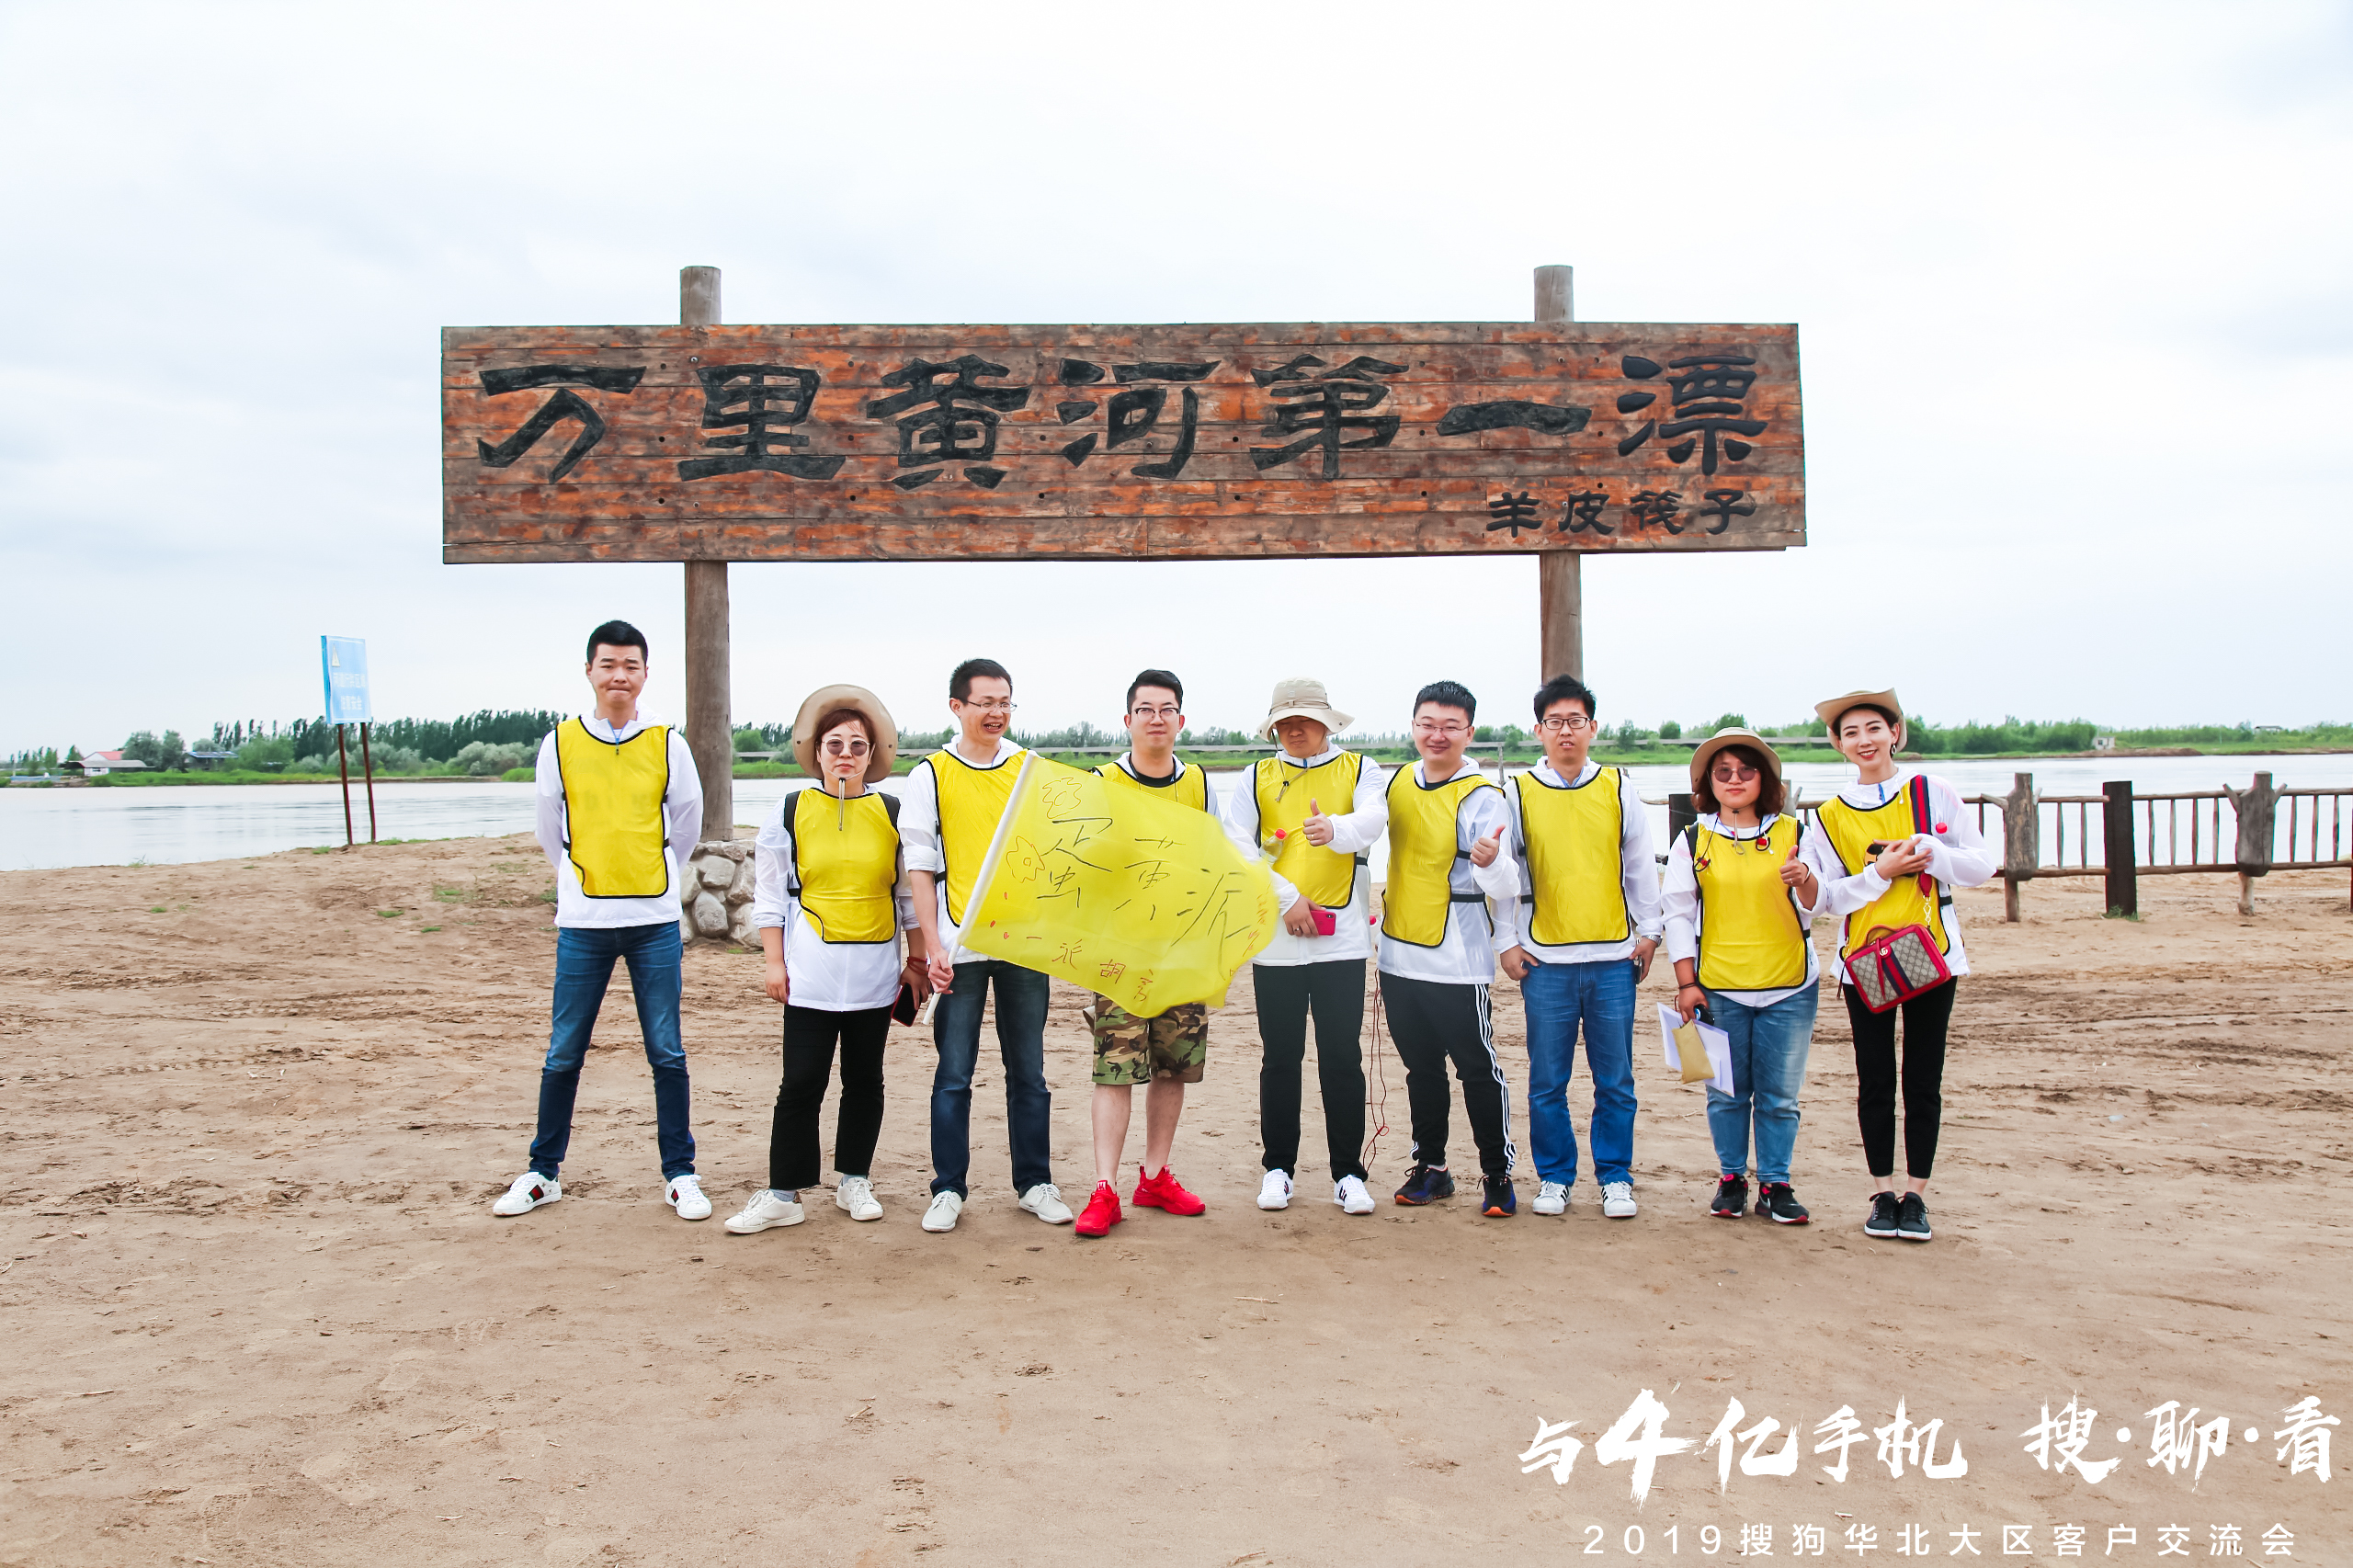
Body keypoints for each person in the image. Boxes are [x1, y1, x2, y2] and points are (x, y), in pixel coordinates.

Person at [493, 620, 707, 1221]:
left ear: (645, 674)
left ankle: (680, 1175)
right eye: (608, 664)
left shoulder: (668, 743)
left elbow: (686, 822)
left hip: (653, 919)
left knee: (667, 1052)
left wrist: (651, 872)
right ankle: (542, 1172)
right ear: (589, 670)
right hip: (583, 922)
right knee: (564, 1051)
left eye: (630, 665)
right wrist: (581, 879)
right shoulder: (560, 743)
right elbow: (549, 827)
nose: (619, 675)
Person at [725, 687, 930, 1235]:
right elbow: (770, 895)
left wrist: (916, 962)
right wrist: (774, 963)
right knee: (801, 1081)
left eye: (857, 746)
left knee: (865, 1080)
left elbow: (908, 898)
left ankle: (854, 1179)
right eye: (834, 744)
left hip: (874, 974)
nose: (845, 754)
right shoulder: (790, 810)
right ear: (815, 751)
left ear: (872, 754)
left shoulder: (893, 813)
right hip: (810, 973)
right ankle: (783, 1193)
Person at [1325, 680, 1519, 1215]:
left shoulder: (1484, 796)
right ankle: (1431, 1167)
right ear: (1413, 727)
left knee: (1477, 1068)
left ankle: (1497, 1173)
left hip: (1458, 958)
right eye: (1428, 724)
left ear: (1469, 733)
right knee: (1422, 1070)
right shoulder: (1397, 783)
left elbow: (1507, 884)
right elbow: (1358, 833)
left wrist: (1491, 863)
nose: (1438, 735)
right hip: (1398, 952)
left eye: (1450, 726)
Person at [1812, 687, 1995, 1244]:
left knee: (1922, 1076)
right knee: (1874, 1078)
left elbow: (1982, 865)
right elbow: (1826, 899)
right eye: (1850, 733)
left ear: (1895, 733)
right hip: (1864, 959)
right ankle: (1882, 1191)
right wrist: (1881, 873)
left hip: (1931, 951)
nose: (1863, 740)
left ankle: (1916, 1195)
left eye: (1874, 728)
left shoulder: (1932, 793)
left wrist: (1932, 853)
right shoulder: (1828, 815)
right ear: (1839, 745)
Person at [902, 658, 1072, 1233]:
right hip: (959, 945)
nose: (996, 713)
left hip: (1023, 943)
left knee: (1029, 1071)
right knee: (954, 1072)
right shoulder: (930, 775)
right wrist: (932, 947)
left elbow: (1055, 852)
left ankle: (1035, 1183)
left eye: (1005, 702)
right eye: (985, 703)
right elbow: (920, 866)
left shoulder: (1030, 770)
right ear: (958, 707)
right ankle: (948, 1188)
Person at [1219, 677, 1386, 1217]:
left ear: (1327, 723)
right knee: (1280, 1057)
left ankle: (1348, 1174)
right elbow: (1237, 845)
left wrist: (1333, 829)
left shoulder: (1360, 769)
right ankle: (1278, 1168)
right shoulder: (1255, 776)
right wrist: (1288, 899)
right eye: (1284, 722)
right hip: (1277, 938)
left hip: (1343, 939)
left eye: (1306, 720)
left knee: (1341, 1057)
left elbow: (1373, 820)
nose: (1295, 730)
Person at [1497, 674, 1663, 1221]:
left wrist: (1651, 931)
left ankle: (1615, 1177)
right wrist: (1506, 940)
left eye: (1575, 721)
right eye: (1555, 722)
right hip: (1546, 959)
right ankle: (1555, 1176)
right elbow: (1505, 874)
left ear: (1593, 727)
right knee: (1548, 1080)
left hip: (1614, 957)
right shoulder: (1518, 792)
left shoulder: (1617, 786)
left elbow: (1639, 863)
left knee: (1615, 1079)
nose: (1565, 731)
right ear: (1538, 730)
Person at [1073, 670, 1218, 1238]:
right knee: (1115, 1068)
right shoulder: (1102, 782)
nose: (1156, 719)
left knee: (1171, 1066)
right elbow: (1077, 861)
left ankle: (1154, 1176)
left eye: (1166, 709)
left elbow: (1217, 859)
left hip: (1181, 951)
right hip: (1120, 953)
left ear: (1181, 720)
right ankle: (1104, 1187)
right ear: (1127, 719)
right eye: (1145, 709)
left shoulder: (1199, 783)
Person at [1661, 729, 1824, 1226]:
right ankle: (1732, 1178)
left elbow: (1819, 903)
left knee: (1780, 1097)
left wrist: (1805, 880)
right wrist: (1687, 983)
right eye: (1723, 772)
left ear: (1764, 778)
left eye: (1746, 770)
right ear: (1708, 782)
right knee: (1726, 1093)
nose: (1735, 780)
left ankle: (1776, 1183)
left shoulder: (1796, 833)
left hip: (1789, 986)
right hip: (1719, 986)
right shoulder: (1694, 839)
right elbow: (1677, 913)